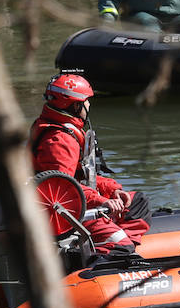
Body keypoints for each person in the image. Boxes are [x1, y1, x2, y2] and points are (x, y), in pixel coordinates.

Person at [31, 72, 151, 257]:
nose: (89, 105)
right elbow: (62, 191)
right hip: (66, 214)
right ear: (76, 105)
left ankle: (122, 252)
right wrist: (102, 201)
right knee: (120, 246)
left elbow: (80, 177)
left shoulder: (56, 127)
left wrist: (113, 189)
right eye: (86, 101)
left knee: (137, 202)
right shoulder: (60, 141)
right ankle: (104, 257)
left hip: (76, 202)